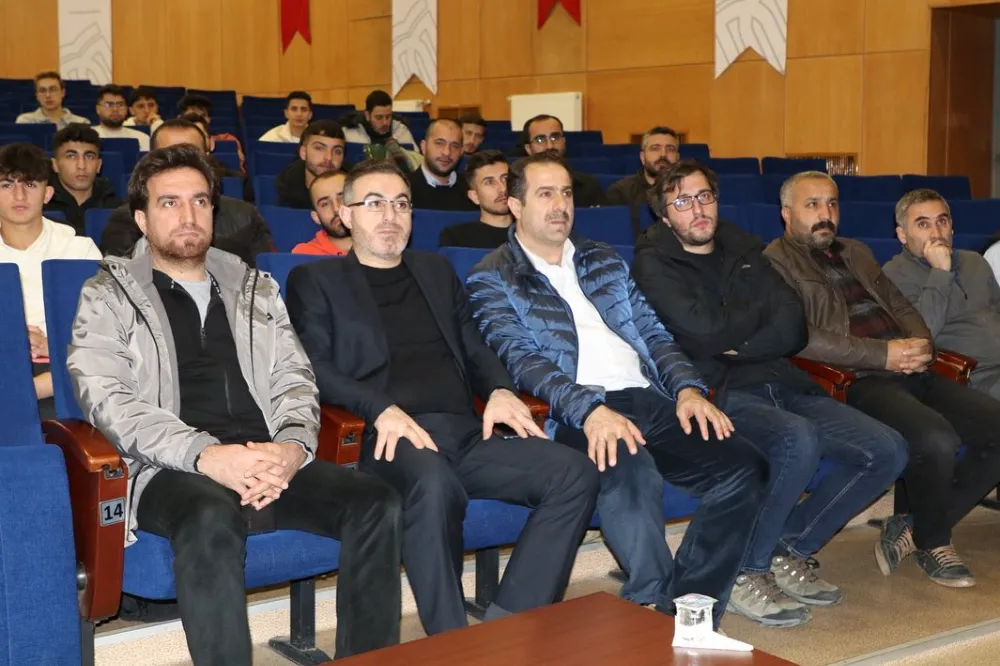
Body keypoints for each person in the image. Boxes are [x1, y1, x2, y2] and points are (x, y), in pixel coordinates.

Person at [66, 144, 402, 663]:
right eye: (170, 202)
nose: (188, 215)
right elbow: (108, 400)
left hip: (265, 455)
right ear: (142, 219)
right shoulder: (108, 294)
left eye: (200, 201)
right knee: (208, 513)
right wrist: (207, 455)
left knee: (374, 501)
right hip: (168, 467)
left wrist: (291, 448)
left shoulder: (254, 288)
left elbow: (295, 377)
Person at [285, 160, 599, 636]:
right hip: (388, 438)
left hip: (464, 434)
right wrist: (379, 408)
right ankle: (451, 641)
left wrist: (498, 389)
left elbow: (475, 346)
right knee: (434, 482)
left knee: (574, 472)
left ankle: (510, 622)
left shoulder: (434, 270)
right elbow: (314, 366)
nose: (390, 216)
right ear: (346, 215)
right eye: (374, 204)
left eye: (401, 204)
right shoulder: (315, 280)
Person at [465, 153, 768, 630]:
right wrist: (590, 411)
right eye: (545, 194)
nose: (560, 205)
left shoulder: (602, 258)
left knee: (745, 466)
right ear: (515, 205)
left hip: (647, 396)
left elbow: (653, 333)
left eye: (566, 193)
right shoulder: (491, 276)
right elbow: (522, 361)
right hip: (573, 408)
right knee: (629, 471)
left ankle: (685, 606)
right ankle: (654, 601)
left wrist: (688, 389)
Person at [632, 160, 908, 627]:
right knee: (796, 438)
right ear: (664, 214)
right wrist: (752, 318)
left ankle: (786, 549)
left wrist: (736, 338)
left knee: (887, 450)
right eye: (682, 201)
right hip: (719, 391)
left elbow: (793, 325)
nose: (697, 209)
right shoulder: (652, 263)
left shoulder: (745, 248)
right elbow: (703, 333)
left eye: (704, 196)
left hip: (784, 380)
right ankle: (745, 570)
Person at [764, 170, 1000, 589]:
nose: (825, 213)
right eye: (812, 204)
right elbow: (802, 337)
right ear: (786, 213)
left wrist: (920, 344)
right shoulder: (775, 262)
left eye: (832, 203)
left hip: (909, 366)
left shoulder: (855, 251)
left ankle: (914, 525)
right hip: (856, 378)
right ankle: (934, 541)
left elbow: (900, 307)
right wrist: (882, 355)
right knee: (936, 438)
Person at [0, 143, 102, 420]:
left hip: (62, 372)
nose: (19, 195)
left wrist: (50, 345)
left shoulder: (78, 250)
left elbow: (102, 335)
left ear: (47, 194)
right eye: (7, 184)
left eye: (30, 184)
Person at [101, 119, 273, 265]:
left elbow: (260, 282)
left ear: (207, 158)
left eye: (192, 157)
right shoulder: (127, 219)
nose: (181, 168)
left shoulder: (245, 217)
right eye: (169, 157)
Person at [884, 189, 1000, 399]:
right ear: (902, 235)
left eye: (942, 221)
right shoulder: (893, 274)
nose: (937, 233)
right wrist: (940, 272)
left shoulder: (975, 261)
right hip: (973, 377)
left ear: (951, 227)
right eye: (923, 224)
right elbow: (922, 334)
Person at [44, 124, 120, 236]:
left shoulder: (117, 211)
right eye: (71, 156)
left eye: (89, 157)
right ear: (55, 165)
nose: (81, 165)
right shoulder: (41, 210)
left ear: (99, 165)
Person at [607, 126, 680, 236]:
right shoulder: (621, 192)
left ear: (677, 157)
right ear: (642, 157)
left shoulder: (689, 190)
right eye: (655, 148)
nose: (663, 154)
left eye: (670, 149)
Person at [522, 114, 604, 208]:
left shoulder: (588, 186)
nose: (550, 146)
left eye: (555, 137)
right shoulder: (517, 188)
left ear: (564, 141)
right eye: (540, 139)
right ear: (528, 149)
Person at [438, 150, 512, 248]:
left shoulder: (530, 232)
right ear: (474, 196)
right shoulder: (456, 238)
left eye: (505, 179)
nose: (503, 188)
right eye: (489, 182)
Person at [406, 119, 476, 211]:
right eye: (439, 143)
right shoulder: (405, 189)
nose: (447, 152)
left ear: (461, 151)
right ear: (424, 147)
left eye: (455, 146)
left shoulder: (473, 191)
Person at [276, 120, 348, 210]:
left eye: (337, 151)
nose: (329, 157)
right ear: (303, 153)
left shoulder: (353, 185)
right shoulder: (287, 188)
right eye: (319, 148)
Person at [178, 93, 245, 173]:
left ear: (208, 119)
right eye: (192, 117)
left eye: (202, 116)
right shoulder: (172, 142)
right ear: (180, 118)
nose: (198, 120)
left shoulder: (229, 139)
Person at [292, 170, 352, 256]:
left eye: (343, 198)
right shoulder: (305, 254)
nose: (336, 208)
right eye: (325, 204)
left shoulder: (373, 245)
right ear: (316, 217)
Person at [342, 90, 417, 146]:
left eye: (388, 117)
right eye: (379, 117)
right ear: (367, 115)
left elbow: (417, 159)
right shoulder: (350, 133)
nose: (385, 123)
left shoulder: (401, 131)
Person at [15, 71, 89, 128]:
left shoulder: (81, 123)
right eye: (42, 90)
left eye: (53, 90)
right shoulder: (25, 121)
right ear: (37, 96)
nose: (48, 95)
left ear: (62, 93)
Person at [91, 84, 150, 151]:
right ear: (98, 109)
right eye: (108, 105)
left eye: (120, 104)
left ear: (126, 109)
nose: (115, 109)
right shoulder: (87, 137)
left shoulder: (142, 138)